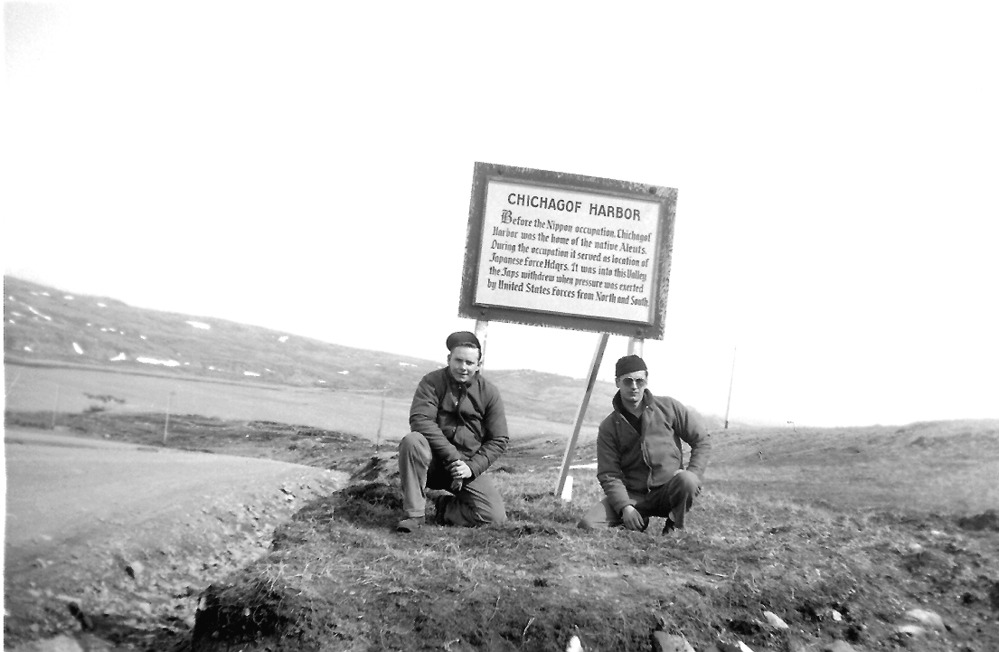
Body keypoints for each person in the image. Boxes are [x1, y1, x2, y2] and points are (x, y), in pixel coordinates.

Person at [578, 354, 712, 532]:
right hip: (633, 496)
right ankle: (637, 520)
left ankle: (674, 524)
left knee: (687, 480)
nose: (634, 387)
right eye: (628, 381)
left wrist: (693, 473)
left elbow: (701, 440)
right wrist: (625, 506)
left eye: (639, 381)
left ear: (646, 380)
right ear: (617, 382)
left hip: (668, 490)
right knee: (588, 525)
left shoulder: (669, 408)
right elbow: (609, 473)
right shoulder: (609, 427)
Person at [396, 330, 509, 532]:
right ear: (449, 359)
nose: (463, 367)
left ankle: (443, 507)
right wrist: (453, 458)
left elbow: (499, 439)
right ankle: (414, 516)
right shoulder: (431, 382)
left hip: (465, 467)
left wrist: (471, 468)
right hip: (432, 460)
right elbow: (420, 420)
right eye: (458, 360)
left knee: (494, 517)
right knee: (412, 441)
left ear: (478, 365)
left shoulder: (489, 393)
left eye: (469, 363)